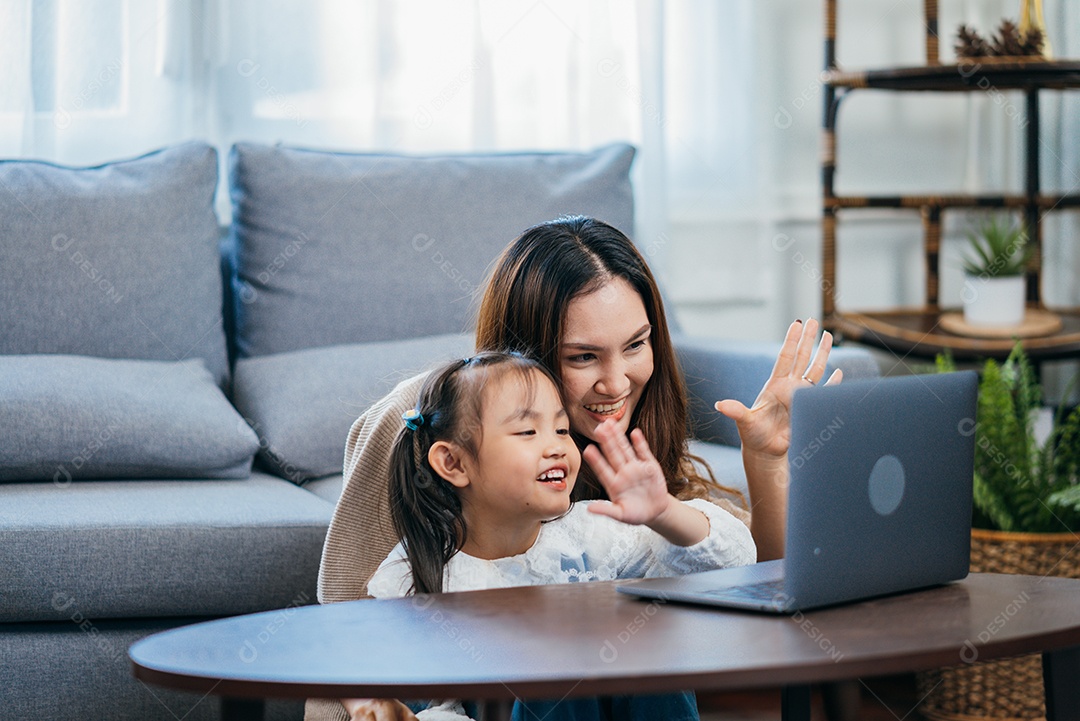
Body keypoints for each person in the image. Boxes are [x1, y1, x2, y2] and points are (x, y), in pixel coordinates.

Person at [306, 216, 839, 721]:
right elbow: (350, 628)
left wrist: (765, 459)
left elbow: (756, 591)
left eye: (636, 345)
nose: (617, 383)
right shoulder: (428, 426)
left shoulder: (625, 449)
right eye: (583, 357)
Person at [352, 351, 756, 720]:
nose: (556, 447)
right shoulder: (419, 579)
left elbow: (733, 561)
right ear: (453, 462)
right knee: (552, 654)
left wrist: (664, 512)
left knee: (645, 634)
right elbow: (435, 707)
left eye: (562, 430)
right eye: (528, 432)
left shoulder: (590, 532)